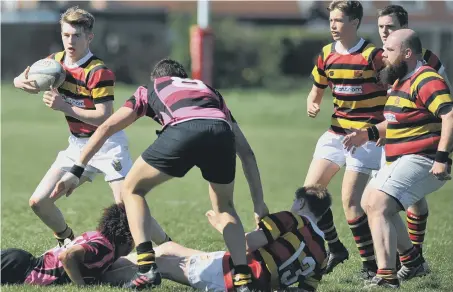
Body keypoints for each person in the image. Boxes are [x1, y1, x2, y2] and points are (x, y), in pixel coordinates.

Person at [51, 59, 269, 291]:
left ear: (157, 78)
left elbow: (106, 127)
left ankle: (146, 268)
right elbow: (247, 153)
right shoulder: (210, 92)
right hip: (221, 131)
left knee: (132, 189)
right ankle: (243, 280)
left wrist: (77, 169)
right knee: (225, 208)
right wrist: (259, 205)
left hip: (183, 129)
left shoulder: (150, 88)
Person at [12, 6, 133, 247]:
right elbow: (20, 79)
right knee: (39, 202)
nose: (70, 41)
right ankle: (67, 241)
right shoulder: (54, 65)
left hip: (108, 144)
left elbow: (105, 118)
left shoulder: (99, 72)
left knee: (127, 208)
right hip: (77, 145)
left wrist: (64, 106)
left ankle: (159, 248)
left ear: (89, 37)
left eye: (76, 35)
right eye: (66, 35)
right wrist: (21, 83)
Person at [344, 29, 453, 288]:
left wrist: (442, 157)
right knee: (370, 202)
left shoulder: (427, 79)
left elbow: (450, 116)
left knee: (379, 203)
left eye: (390, 50)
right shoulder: (400, 81)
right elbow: (394, 121)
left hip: (423, 159)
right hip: (402, 159)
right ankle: (413, 262)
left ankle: (386, 276)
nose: (383, 55)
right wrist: (368, 133)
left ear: (407, 53)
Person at [101, 185, 330, 292]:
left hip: (234, 275)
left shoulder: (291, 218)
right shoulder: (323, 253)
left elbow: (248, 244)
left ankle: (95, 274)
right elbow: (305, 290)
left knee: (159, 264)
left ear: (300, 203)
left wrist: (224, 228)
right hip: (245, 273)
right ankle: (104, 260)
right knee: (168, 246)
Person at [306, 0, 387, 278]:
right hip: (336, 133)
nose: (332, 25)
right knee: (310, 193)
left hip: (364, 138)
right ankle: (335, 247)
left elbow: (396, 92)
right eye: (331, 20)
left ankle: (369, 264)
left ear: (354, 22)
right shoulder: (326, 53)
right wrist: (312, 104)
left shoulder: (373, 56)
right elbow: (316, 91)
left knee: (350, 202)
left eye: (338, 20)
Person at [374, 5, 452, 269]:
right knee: (379, 201)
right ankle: (410, 258)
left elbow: (443, 107)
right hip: (400, 142)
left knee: (396, 201)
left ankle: (410, 256)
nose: (385, 32)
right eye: (381, 27)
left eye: (391, 27)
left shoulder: (426, 65)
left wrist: (441, 153)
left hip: (423, 148)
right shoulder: (390, 61)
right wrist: (382, 130)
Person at [1, 203, 134, 286]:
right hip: (22, 270)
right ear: (126, 236)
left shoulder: (96, 235)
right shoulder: (104, 248)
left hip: (22, 262)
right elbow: (66, 256)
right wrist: (80, 286)